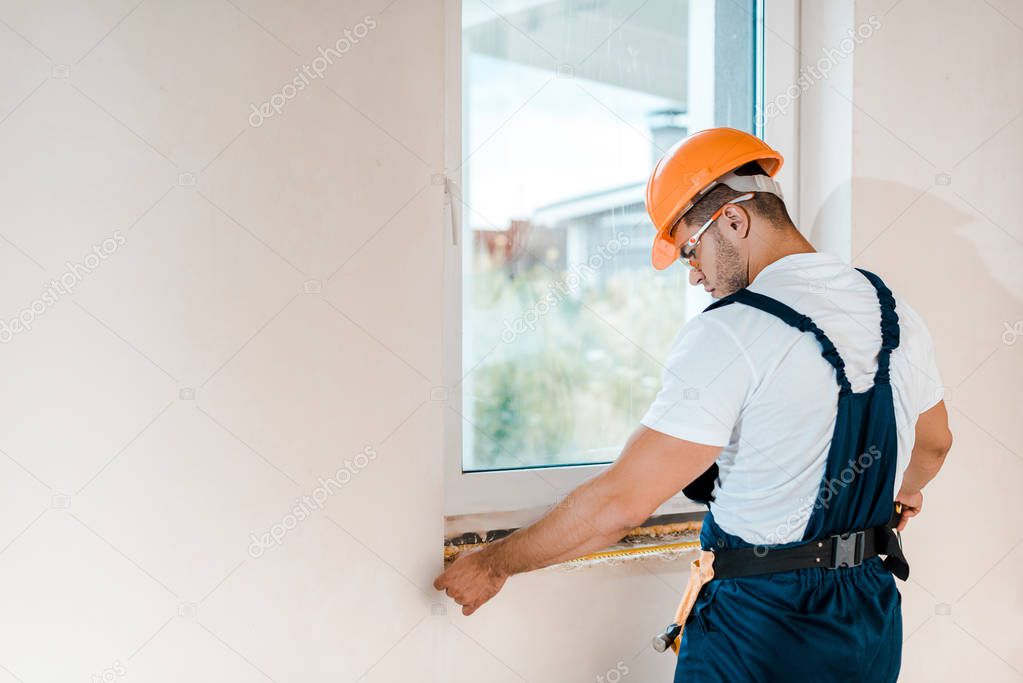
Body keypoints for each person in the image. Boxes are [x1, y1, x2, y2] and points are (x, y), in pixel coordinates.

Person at [433, 127, 952, 682]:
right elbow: (935, 444)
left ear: (734, 219)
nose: (693, 272)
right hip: (870, 617)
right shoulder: (892, 309)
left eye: (689, 248)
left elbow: (620, 504)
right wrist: (893, 495)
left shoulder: (732, 330)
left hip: (764, 626)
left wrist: (494, 564)